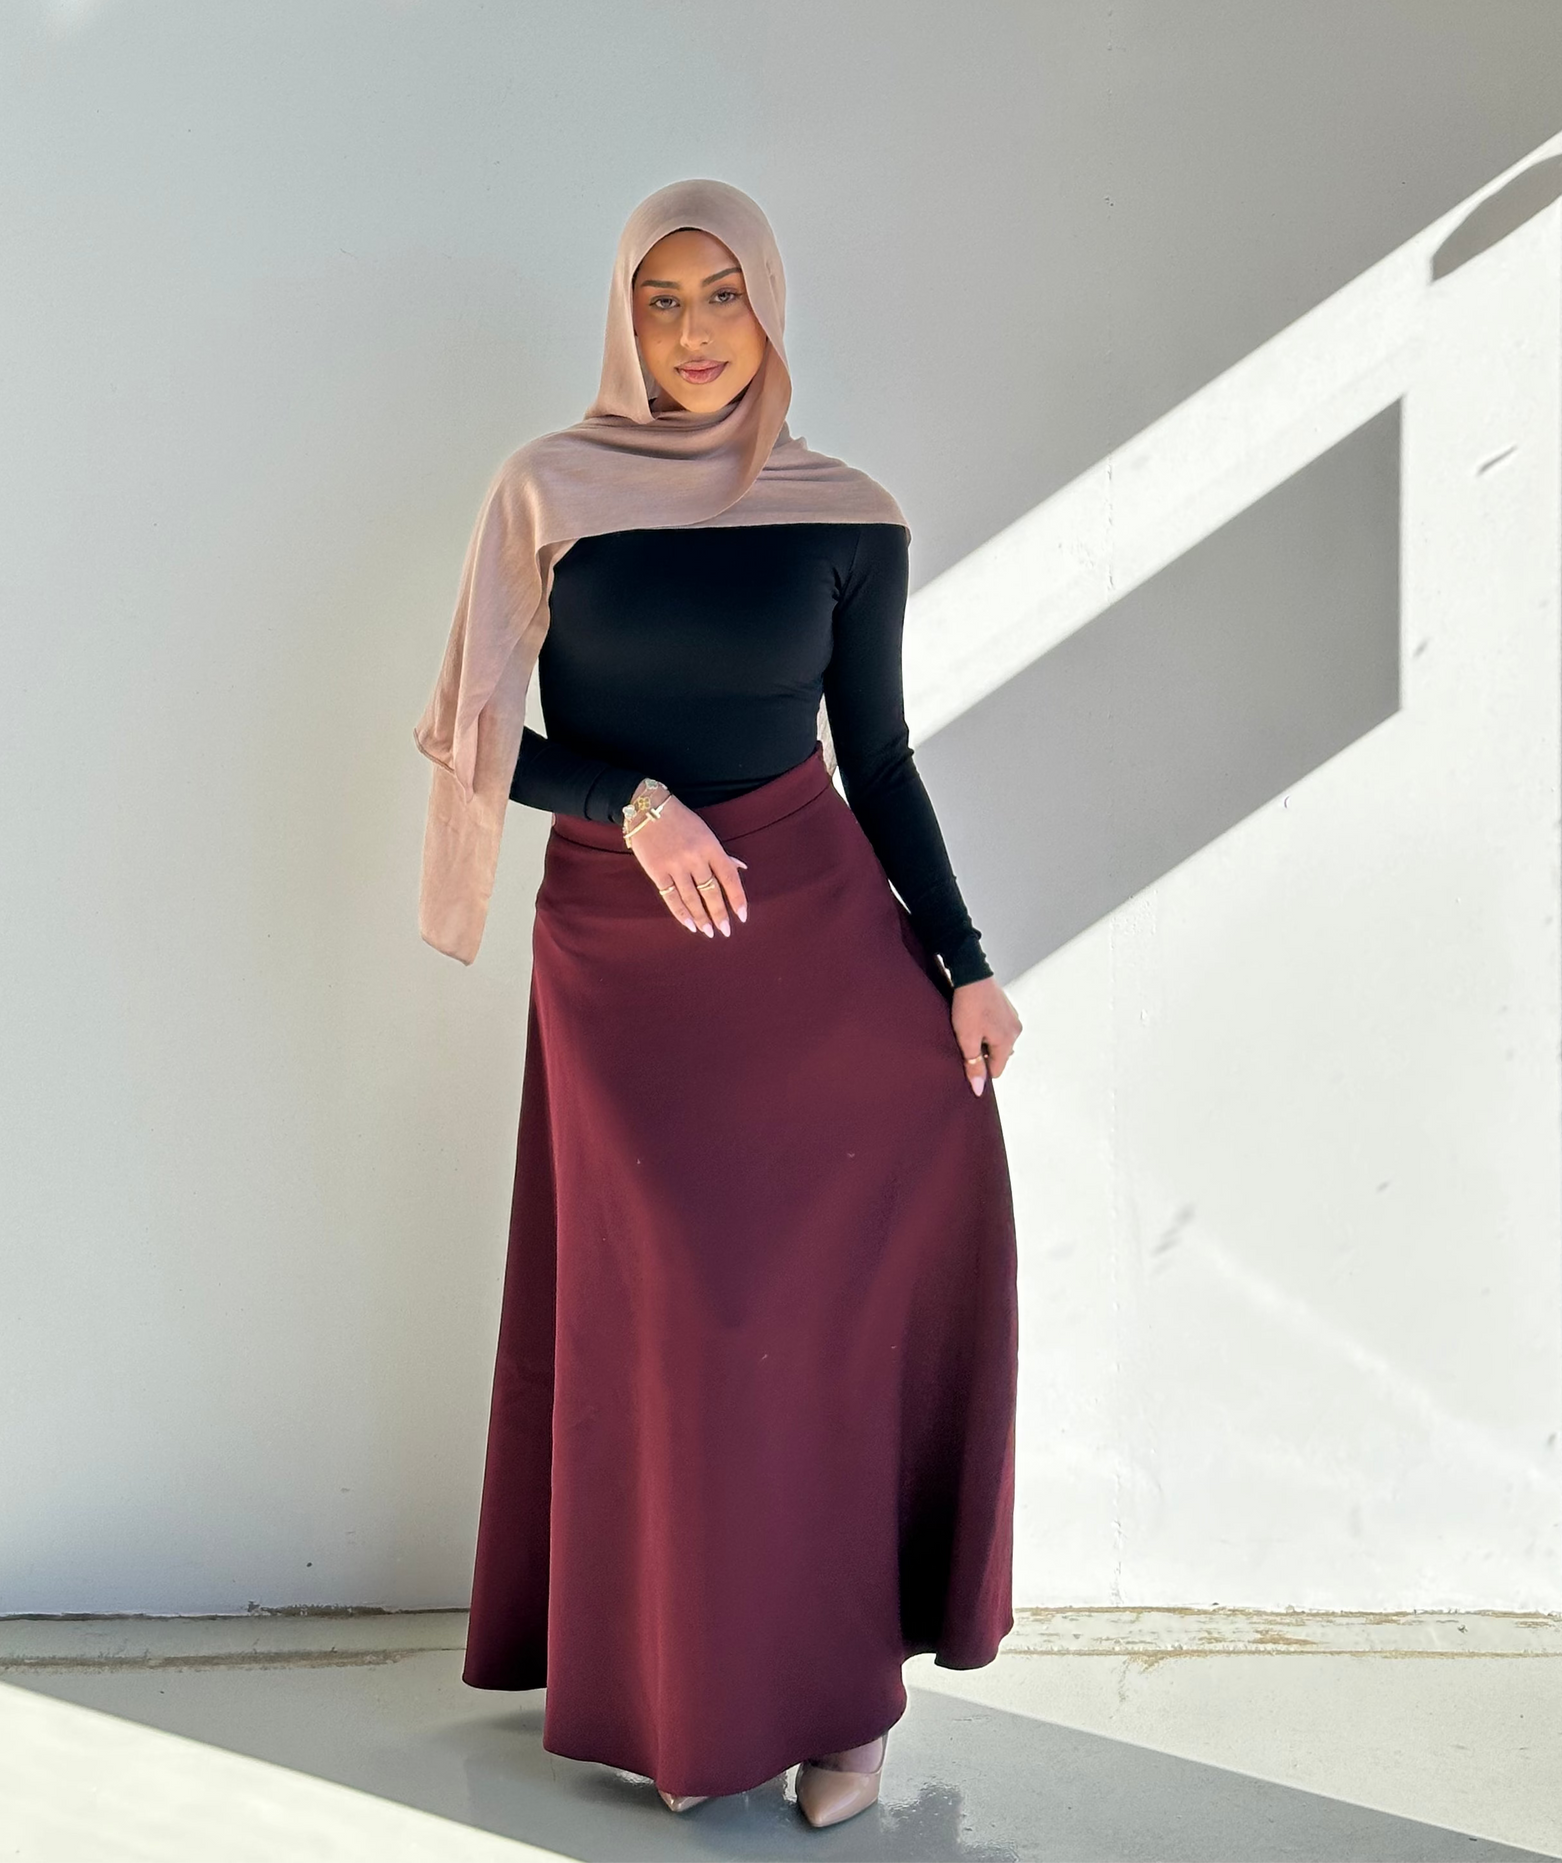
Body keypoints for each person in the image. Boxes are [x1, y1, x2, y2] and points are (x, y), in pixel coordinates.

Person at [413, 179, 1021, 1831]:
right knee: (683, 1337)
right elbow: (473, 733)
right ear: (623, 315)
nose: (691, 332)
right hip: (624, 963)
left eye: (722, 295)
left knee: (816, 1336)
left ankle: (847, 1706)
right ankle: (690, 1695)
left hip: (815, 950)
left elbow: (876, 757)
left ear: (769, 308)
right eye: (660, 299)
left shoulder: (847, 515)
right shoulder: (548, 490)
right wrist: (632, 802)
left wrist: (963, 961)